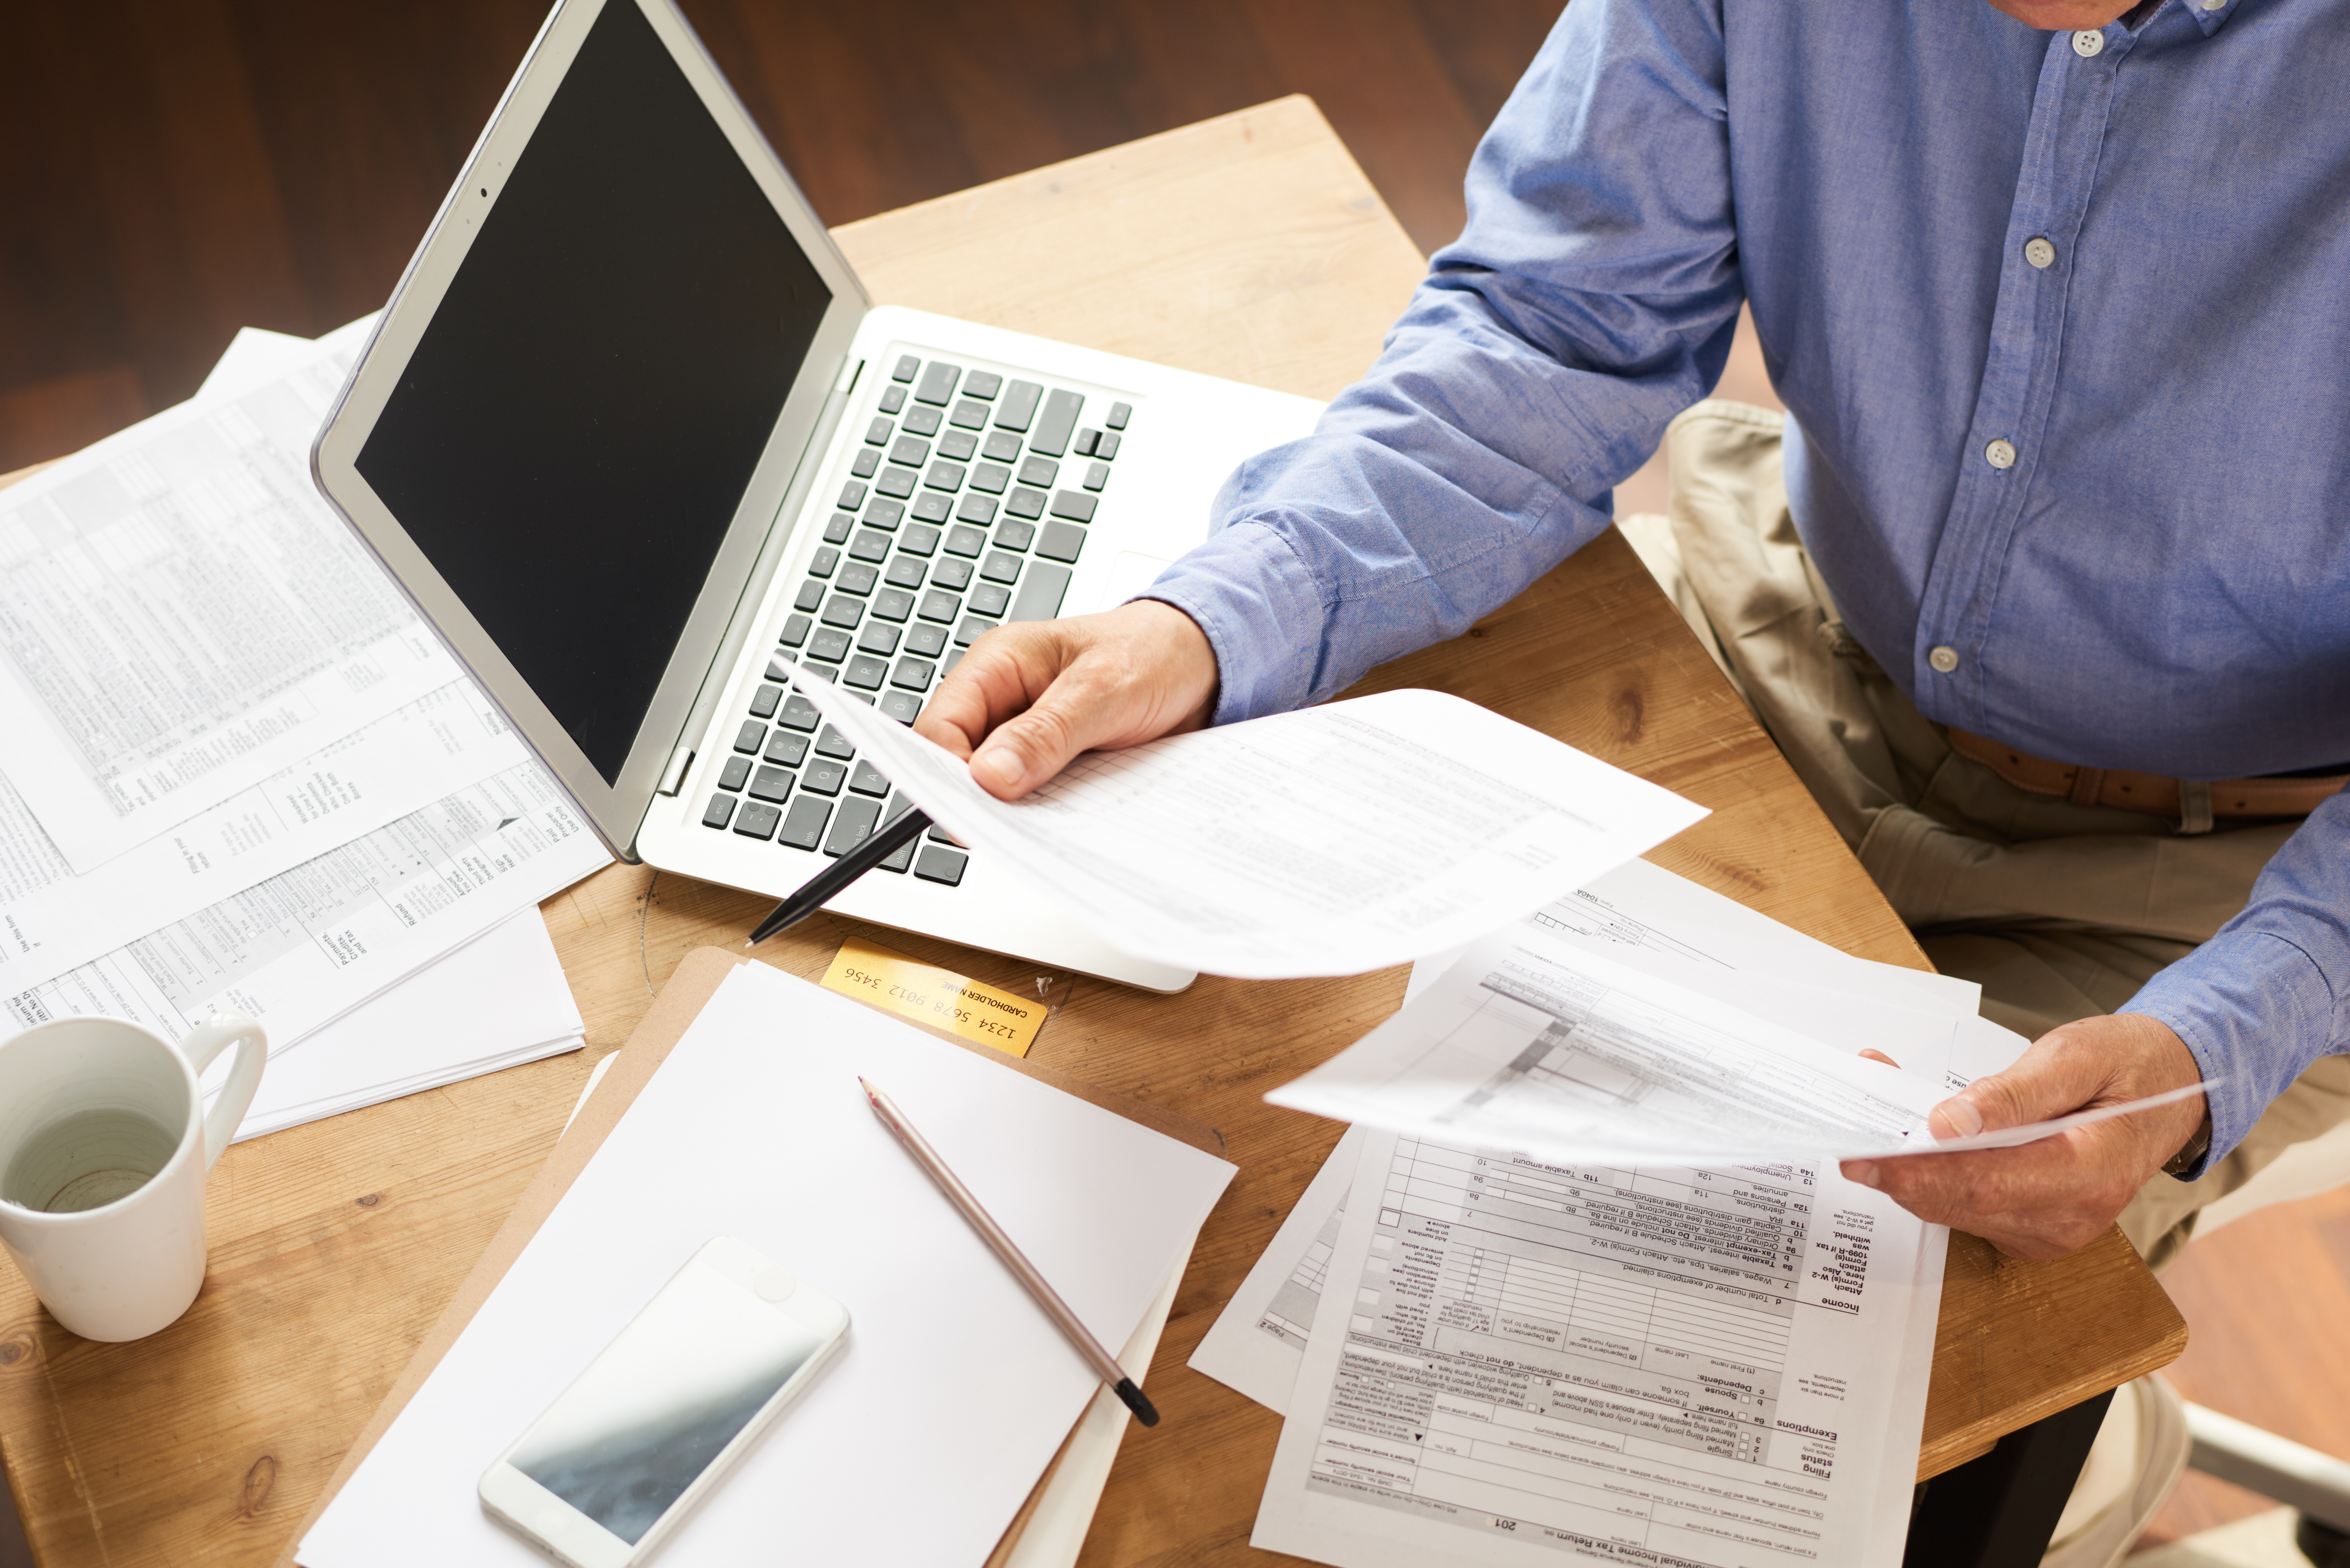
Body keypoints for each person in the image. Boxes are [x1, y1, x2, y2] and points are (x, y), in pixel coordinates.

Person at [917, 2, 2350, 1553]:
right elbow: (1553, 330)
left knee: (1881, 1428)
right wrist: (1211, 618)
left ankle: (2099, 1477)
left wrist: (2224, 1031)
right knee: (1251, 1124)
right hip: (1801, 625)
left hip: (2243, 876)